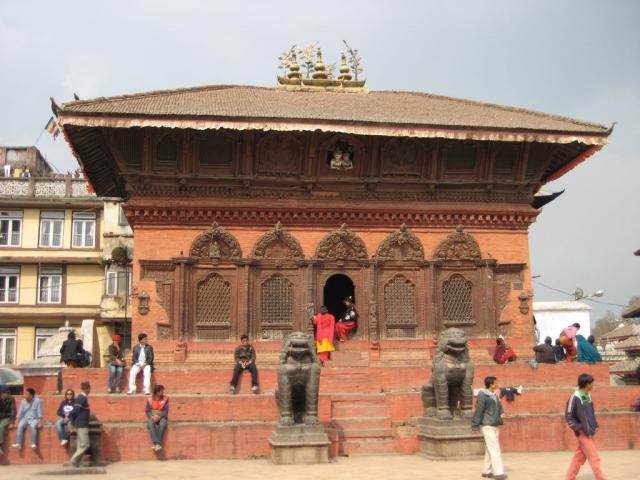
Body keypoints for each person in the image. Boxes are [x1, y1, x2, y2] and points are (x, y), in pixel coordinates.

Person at [565, 373, 606, 480]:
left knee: (579, 457)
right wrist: (579, 429)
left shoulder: (588, 395)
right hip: (583, 433)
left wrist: (595, 425)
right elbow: (569, 416)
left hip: (590, 432)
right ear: (587, 384)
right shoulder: (575, 397)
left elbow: (591, 412)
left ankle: (569, 478)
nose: (593, 385)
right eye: (591, 384)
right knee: (594, 458)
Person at [472, 376, 507, 480]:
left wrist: (501, 413)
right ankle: (498, 472)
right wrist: (475, 424)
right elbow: (479, 410)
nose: (497, 384)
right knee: (495, 449)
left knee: (489, 449)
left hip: (495, 424)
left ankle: (486, 471)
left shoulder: (494, 395)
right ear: (491, 384)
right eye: (495, 382)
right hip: (487, 425)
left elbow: (499, 406)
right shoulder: (483, 395)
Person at [67, 381, 91, 468]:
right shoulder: (82, 398)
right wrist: (73, 423)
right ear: (88, 389)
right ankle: (73, 460)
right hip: (81, 425)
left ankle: (77, 463)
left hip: (81, 424)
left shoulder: (82, 398)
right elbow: (75, 411)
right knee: (85, 444)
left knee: (80, 445)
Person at [146, 384, 169, 452]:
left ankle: (155, 443)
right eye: (161, 391)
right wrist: (151, 416)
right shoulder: (150, 399)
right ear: (157, 392)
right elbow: (147, 410)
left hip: (162, 416)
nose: (162, 393)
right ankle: (157, 443)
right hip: (152, 416)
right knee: (150, 424)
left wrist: (159, 417)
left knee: (163, 424)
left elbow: (166, 410)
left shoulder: (166, 399)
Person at [0, 385, 16, 455]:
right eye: (7, 393)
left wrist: (12, 422)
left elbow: (13, 410)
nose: (8, 394)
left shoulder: (11, 399)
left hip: (7, 417)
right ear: (2, 393)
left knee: (0, 427)